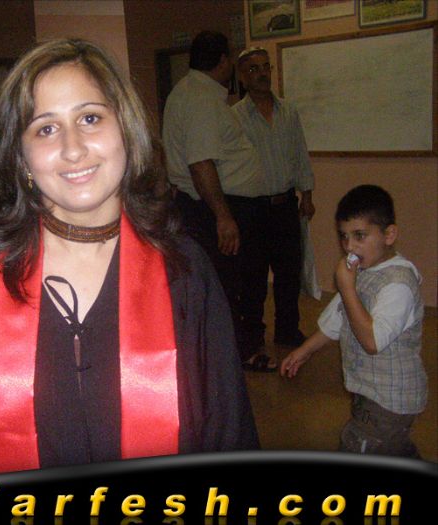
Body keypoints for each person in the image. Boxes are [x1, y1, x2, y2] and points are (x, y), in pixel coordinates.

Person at [0, 38, 259, 478]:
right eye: (45, 128)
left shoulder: (185, 273)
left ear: (126, 131)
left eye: (90, 118)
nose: (73, 148)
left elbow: (227, 434)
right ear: (21, 157)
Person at [280, 185, 427, 457]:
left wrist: (347, 287)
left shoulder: (398, 284)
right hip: (367, 390)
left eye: (360, 236)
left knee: (359, 445)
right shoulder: (363, 271)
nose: (349, 246)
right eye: (344, 236)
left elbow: (372, 341)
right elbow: (338, 319)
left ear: (389, 235)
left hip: (390, 399)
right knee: (393, 449)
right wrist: (305, 351)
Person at [161, 31, 274, 371]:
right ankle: (242, 352)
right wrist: (224, 217)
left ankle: (234, 349)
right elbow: (201, 164)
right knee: (233, 285)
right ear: (224, 61)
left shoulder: (192, 91)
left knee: (229, 283)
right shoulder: (201, 98)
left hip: (211, 205)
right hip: (217, 207)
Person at [232, 46, 315, 353]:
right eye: (253, 69)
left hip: (285, 206)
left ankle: (287, 330)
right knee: (252, 278)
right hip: (252, 210)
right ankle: (253, 335)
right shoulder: (234, 117)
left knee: (288, 274)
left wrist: (307, 194)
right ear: (242, 77)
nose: (262, 73)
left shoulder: (288, 111)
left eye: (266, 67)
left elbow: (300, 153)